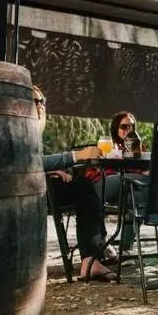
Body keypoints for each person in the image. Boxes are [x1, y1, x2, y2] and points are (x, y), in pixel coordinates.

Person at [34, 85, 116, 281]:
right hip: (27, 192)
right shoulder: (18, 127)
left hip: (39, 184)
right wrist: (75, 155)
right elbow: (23, 161)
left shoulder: (32, 131)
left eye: (42, 101)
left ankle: (92, 256)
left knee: (85, 188)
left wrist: (49, 168)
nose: (41, 106)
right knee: (85, 189)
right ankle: (93, 255)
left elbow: (33, 159)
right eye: (34, 101)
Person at [88, 111, 149, 255]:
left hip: (126, 185)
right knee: (143, 183)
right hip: (103, 183)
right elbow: (98, 167)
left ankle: (125, 250)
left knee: (135, 198)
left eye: (132, 126)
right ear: (116, 128)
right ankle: (103, 243)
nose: (128, 130)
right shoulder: (109, 146)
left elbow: (143, 166)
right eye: (124, 126)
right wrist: (143, 174)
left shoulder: (138, 146)